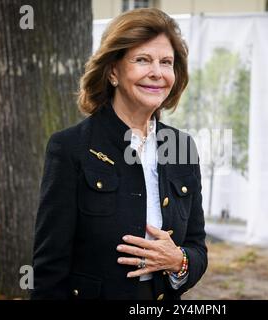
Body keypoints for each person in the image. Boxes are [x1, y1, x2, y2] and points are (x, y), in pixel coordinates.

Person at [31, 8, 207, 300]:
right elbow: (49, 268)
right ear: (113, 70)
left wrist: (179, 261)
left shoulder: (182, 148)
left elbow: (197, 246)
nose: (157, 72)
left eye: (166, 62)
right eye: (142, 60)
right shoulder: (70, 147)